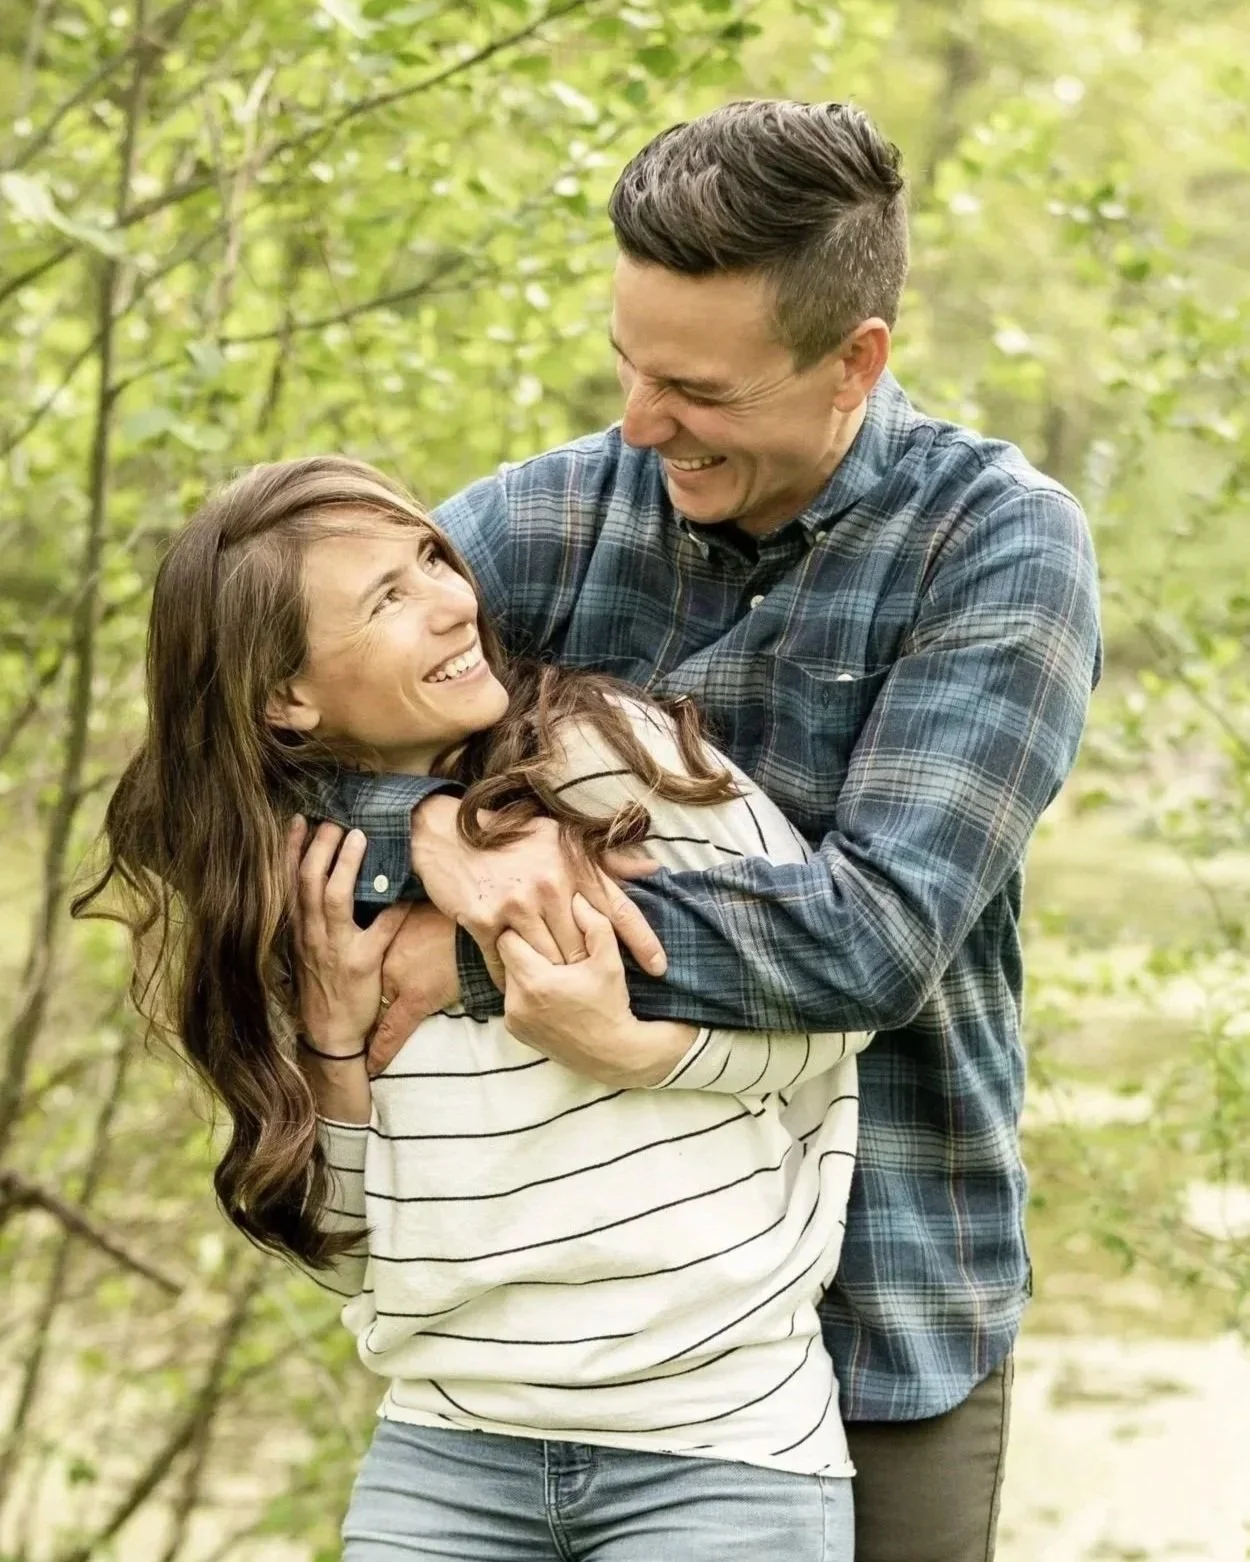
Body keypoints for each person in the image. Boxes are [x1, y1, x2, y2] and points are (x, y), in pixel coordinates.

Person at [341, 100, 1103, 1562]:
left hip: (885, 1293)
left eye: (693, 385)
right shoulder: (543, 519)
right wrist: (425, 829)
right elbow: (285, 742)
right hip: (564, 1315)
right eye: (628, 361)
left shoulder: (997, 546)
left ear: (853, 363)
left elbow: (872, 935)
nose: (638, 422)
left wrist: (480, 948)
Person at [75, 455, 871, 1560]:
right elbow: (347, 1250)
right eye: (386, 598)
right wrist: (334, 1043)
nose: (453, 598)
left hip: (716, 1448)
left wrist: (633, 1044)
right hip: (444, 1460)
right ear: (286, 694)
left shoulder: (618, 763)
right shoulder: (296, 891)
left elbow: (832, 1017)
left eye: (432, 561)